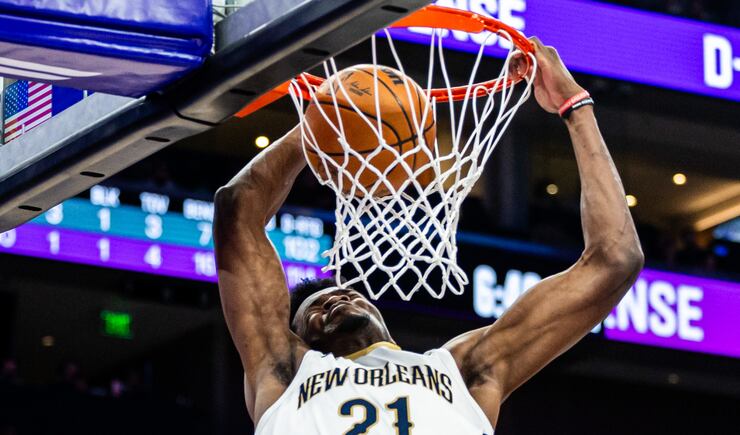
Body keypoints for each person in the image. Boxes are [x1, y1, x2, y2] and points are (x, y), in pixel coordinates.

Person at [213, 37, 643, 434]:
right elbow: (237, 208)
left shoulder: (462, 372)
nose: (334, 302)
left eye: (342, 294)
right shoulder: (284, 372)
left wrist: (576, 105)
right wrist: (326, 123)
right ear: (301, 340)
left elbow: (616, 259)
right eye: (314, 312)